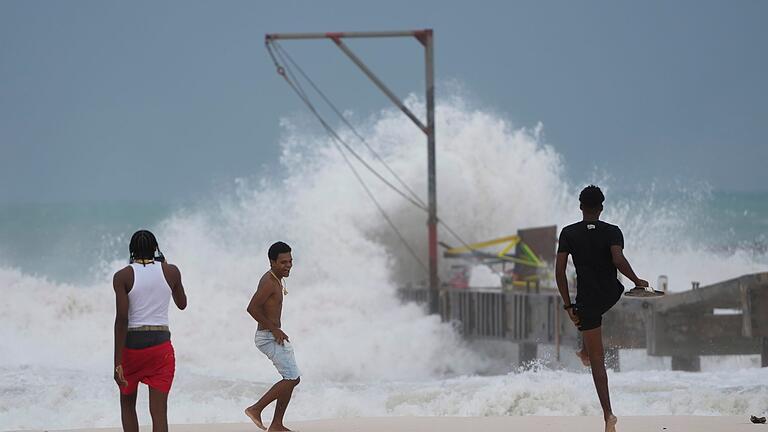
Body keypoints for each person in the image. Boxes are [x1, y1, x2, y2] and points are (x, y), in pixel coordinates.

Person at [555, 185, 648, 432]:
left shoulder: (568, 233)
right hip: (612, 293)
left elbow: (560, 272)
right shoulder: (613, 231)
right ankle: (584, 350)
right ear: (602, 207)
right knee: (589, 327)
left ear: (580, 207)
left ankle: (608, 416)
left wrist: (567, 306)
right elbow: (618, 260)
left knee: (597, 358)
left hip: (587, 301)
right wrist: (637, 282)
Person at [113, 230, 187, 432]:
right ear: (156, 248)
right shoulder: (171, 271)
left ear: (131, 251)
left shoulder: (123, 276)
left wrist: (117, 362)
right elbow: (182, 304)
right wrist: (166, 263)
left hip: (132, 350)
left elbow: (121, 320)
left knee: (128, 405)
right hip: (160, 348)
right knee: (159, 412)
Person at [244, 241, 301, 432]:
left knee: (291, 378)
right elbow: (251, 308)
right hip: (267, 336)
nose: (288, 265)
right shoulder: (269, 282)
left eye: (290, 261)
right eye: (283, 262)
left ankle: (277, 424)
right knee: (292, 379)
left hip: (271, 335)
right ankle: (256, 409)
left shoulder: (276, 279)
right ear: (272, 262)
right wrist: (274, 329)